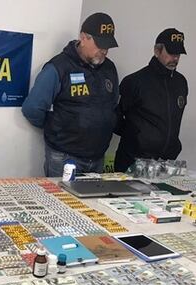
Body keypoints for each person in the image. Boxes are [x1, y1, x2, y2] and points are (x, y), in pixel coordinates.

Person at [22, 12, 119, 177]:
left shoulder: (109, 68)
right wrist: (58, 128)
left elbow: (113, 105)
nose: (104, 50)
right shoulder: (59, 67)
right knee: (60, 202)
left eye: (107, 46)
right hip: (64, 158)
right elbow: (32, 108)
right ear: (83, 37)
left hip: (97, 158)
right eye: (100, 44)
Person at [114, 28, 188, 172]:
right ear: (157, 50)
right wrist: (136, 136)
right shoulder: (135, 81)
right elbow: (114, 117)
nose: (175, 58)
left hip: (166, 165)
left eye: (178, 54)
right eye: (171, 53)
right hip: (133, 162)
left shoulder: (181, 83)